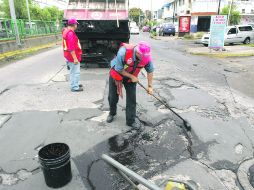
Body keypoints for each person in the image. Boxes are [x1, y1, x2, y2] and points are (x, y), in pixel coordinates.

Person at [107, 41, 154, 130]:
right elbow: (119, 69)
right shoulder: (123, 52)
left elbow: (150, 71)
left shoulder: (146, 57)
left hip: (131, 78)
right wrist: (131, 76)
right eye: (142, 57)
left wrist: (150, 86)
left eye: (146, 57)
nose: (144, 59)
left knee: (132, 99)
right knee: (112, 97)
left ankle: (130, 120)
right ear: (137, 52)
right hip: (117, 74)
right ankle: (112, 113)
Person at [62, 18, 83, 92]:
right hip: (72, 56)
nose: (77, 25)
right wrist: (75, 58)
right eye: (76, 24)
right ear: (74, 25)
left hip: (68, 55)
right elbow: (71, 47)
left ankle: (75, 84)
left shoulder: (66, 31)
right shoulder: (70, 33)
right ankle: (74, 87)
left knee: (72, 71)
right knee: (75, 72)